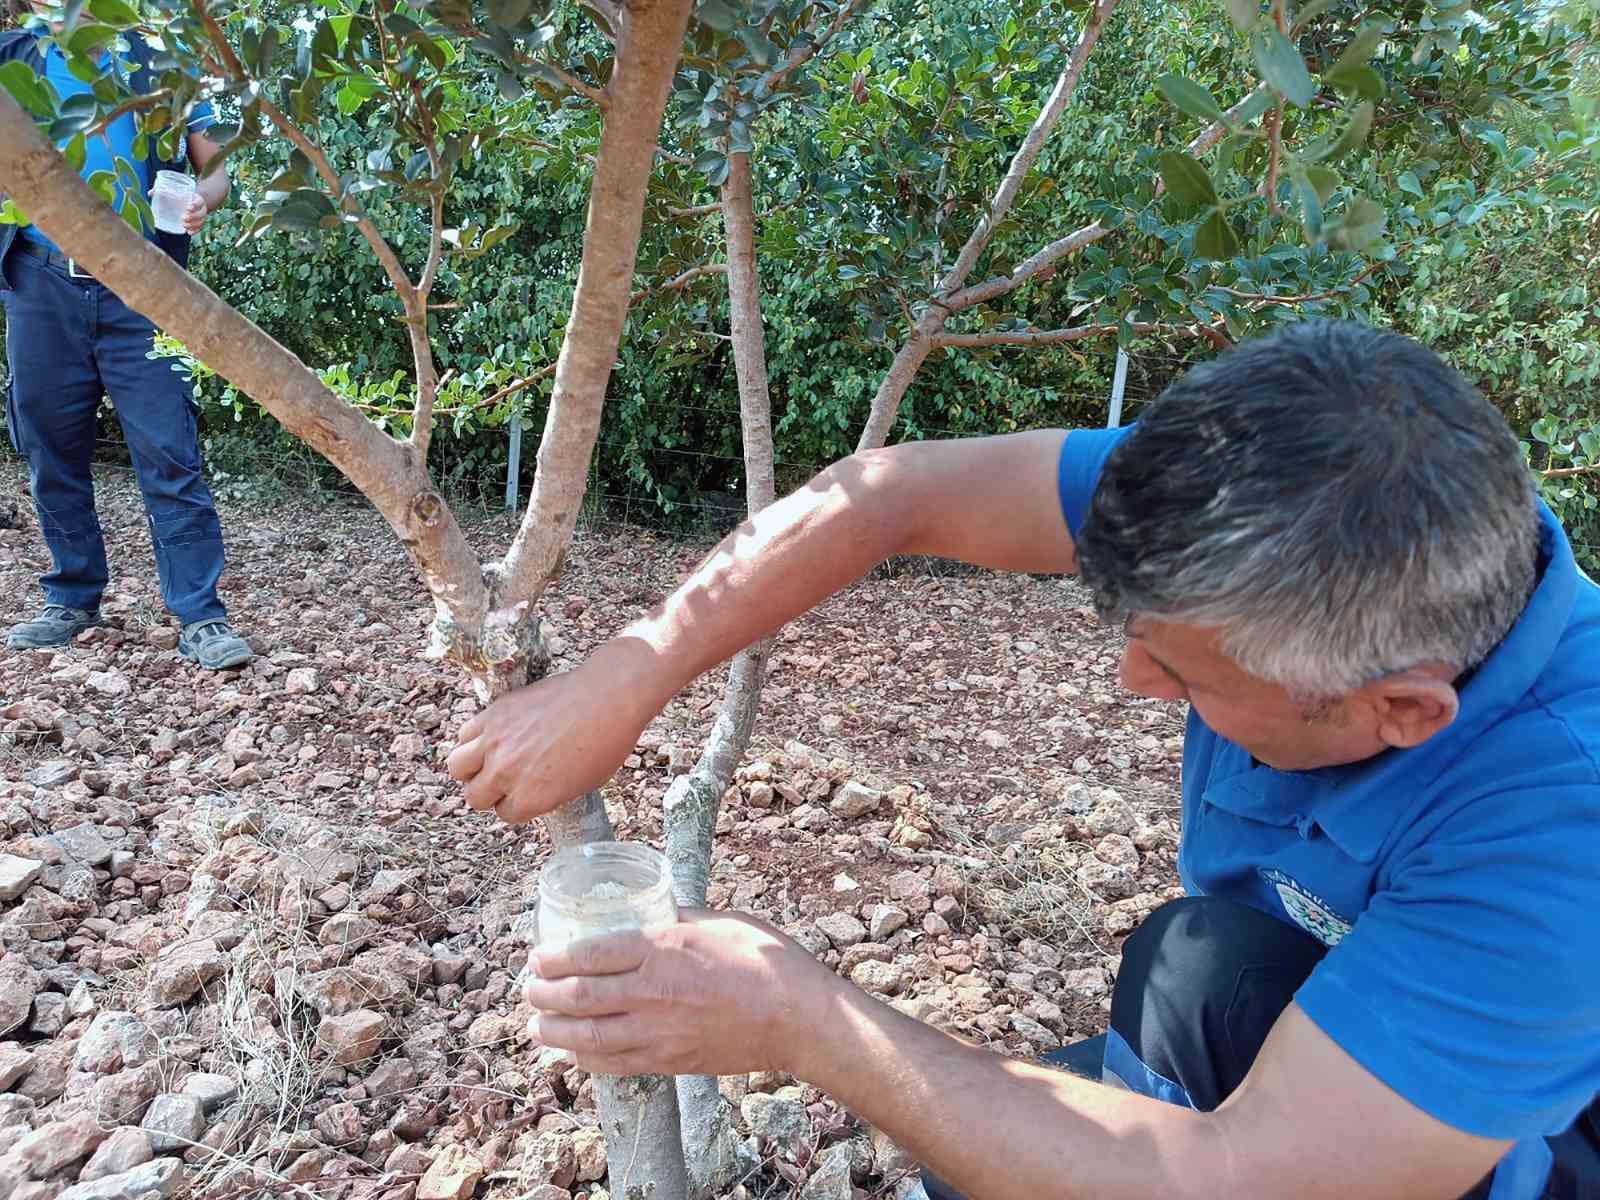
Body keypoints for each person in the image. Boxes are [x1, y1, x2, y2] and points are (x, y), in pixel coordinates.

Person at [447, 321, 1600, 1199]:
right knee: (1149, 1001)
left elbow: (1236, 1182)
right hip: (1293, 1002)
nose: (1131, 687)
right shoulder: (1267, 507)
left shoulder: (1556, 839)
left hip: (1506, 1135)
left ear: (1400, 711)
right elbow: (891, 498)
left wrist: (800, 1021)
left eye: (1189, 677)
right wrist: (632, 668)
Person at [0, 3, 252, 668]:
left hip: (147, 286)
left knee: (170, 445)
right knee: (49, 445)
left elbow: (217, 168)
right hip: (39, 284)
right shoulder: (14, 58)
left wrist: (206, 198)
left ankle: (201, 614)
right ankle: (73, 595)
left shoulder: (159, 55)